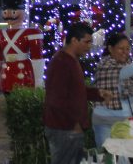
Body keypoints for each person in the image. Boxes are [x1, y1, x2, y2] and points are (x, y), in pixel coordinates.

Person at [43, 23, 113, 164]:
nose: (89, 46)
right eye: (87, 42)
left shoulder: (70, 60)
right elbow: (56, 99)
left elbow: (76, 91)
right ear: (74, 40)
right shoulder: (62, 62)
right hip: (64, 129)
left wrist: (99, 94)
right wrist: (73, 123)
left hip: (68, 128)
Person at [91, 32, 133, 149]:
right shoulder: (104, 64)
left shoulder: (130, 66)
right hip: (105, 123)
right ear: (110, 49)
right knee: (109, 158)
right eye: (121, 48)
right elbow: (121, 73)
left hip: (127, 122)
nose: (125, 52)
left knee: (129, 157)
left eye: (127, 49)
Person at [0, 0, 44, 95]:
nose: (8, 15)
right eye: (5, 12)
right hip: (7, 74)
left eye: (13, 12)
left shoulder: (32, 33)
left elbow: (37, 58)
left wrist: (38, 80)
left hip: (24, 74)